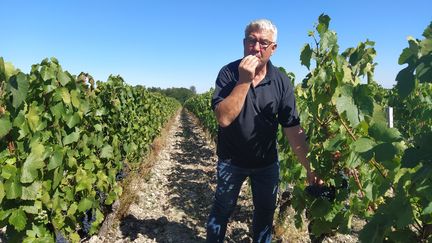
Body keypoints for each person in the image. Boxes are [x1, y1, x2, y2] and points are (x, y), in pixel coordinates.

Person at [206, 19, 321, 242]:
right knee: (222, 210)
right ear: (244, 43)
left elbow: (293, 129)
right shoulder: (229, 74)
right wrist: (244, 80)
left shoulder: (281, 82)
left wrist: (309, 167)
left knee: (265, 214)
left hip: (266, 164)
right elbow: (223, 118)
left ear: (273, 49)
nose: (256, 48)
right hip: (231, 161)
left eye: (264, 43)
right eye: (252, 41)